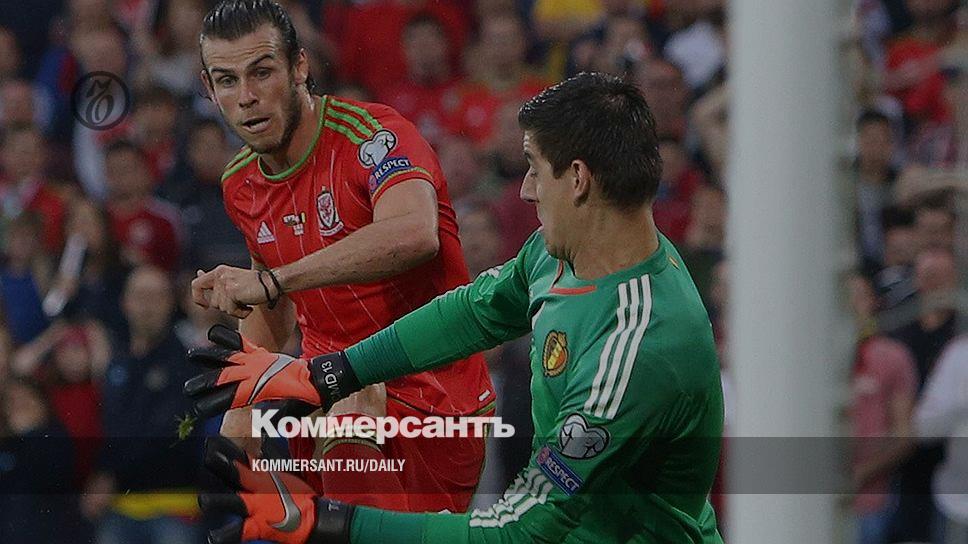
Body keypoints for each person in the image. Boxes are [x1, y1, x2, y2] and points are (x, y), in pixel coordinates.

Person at [186, 72, 724, 544]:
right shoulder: (563, 253)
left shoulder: (634, 348)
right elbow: (473, 312)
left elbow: (522, 530)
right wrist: (328, 373)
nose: (526, 191)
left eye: (535, 169)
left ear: (579, 179)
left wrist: (323, 522)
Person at [190, 0, 493, 514]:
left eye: (262, 72)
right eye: (226, 81)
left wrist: (273, 281)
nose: (246, 97)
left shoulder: (373, 136)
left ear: (299, 66)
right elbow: (273, 312)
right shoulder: (240, 182)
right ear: (208, 88)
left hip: (431, 399)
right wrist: (243, 404)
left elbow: (415, 233)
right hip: (327, 396)